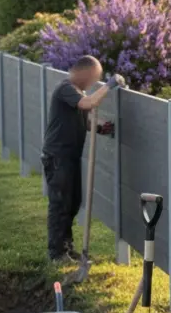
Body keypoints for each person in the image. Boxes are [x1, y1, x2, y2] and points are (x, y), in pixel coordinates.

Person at [41, 56, 122, 263]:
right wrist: (110, 86)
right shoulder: (65, 88)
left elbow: (83, 120)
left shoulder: (78, 93)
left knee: (73, 202)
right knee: (60, 204)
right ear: (84, 72)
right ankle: (56, 253)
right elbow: (88, 104)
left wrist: (101, 128)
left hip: (70, 156)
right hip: (58, 156)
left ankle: (66, 248)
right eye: (94, 78)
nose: (94, 83)